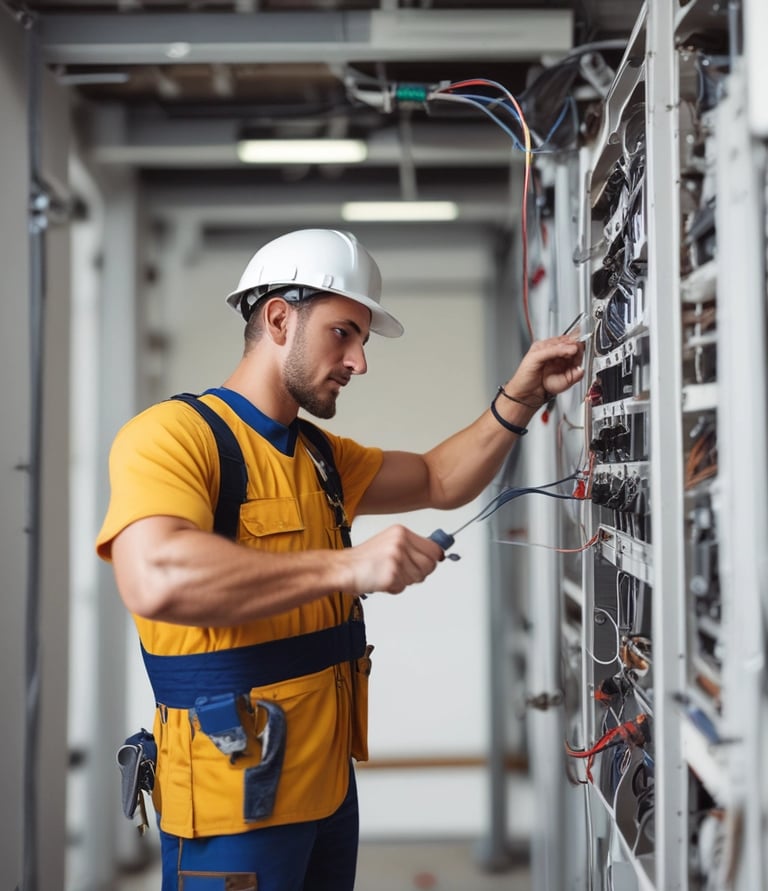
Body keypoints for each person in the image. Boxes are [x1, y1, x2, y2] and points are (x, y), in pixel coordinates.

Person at [96, 227, 584, 891]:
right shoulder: (173, 437)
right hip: (231, 799)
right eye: (343, 332)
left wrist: (521, 397)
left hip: (326, 789)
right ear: (277, 318)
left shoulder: (320, 456)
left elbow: (441, 478)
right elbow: (154, 575)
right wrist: (347, 568)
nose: (359, 360)